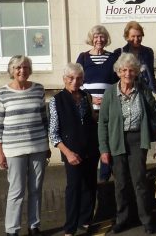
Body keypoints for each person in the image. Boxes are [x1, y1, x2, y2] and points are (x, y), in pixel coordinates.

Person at [98, 53, 156, 234]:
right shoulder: (110, 93)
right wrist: (103, 149)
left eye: (131, 70)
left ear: (136, 72)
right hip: (117, 140)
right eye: (124, 70)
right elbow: (103, 122)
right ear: (118, 72)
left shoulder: (142, 89)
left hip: (137, 139)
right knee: (121, 183)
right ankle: (122, 219)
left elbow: (154, 110)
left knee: (140, 181)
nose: (127, 74)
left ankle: (146, 219)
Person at [0, 55, 49, 236]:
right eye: (17, 67)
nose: (22, 71)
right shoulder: (2, 93)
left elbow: (44, 119)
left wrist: (47, 144)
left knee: (36, 189)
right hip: (13, 150)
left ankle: (34, 226)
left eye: (25, 67)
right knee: (16, 191)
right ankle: (12, 230)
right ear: (11, 70)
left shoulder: (39, 89)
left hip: (38, 147)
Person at [49, 63, 99, 236]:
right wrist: (67, 153)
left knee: (90, 186)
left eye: (78, 78)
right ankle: (70, 227)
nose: (75, 81)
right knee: (74, 188)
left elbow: (92, 120)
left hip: (91, 149)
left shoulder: (86, 96)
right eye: (71, 78)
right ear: (64, 79)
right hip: (72, 151)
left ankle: (85, 221)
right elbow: (54, 133)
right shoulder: (56, 100)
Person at [76, 25, 119, 181]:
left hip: (108, 108)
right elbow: (77, 82)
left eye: (102, 37)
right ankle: (90, 177)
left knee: (106, 141)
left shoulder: (113, 57)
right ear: (91, 39)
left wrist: (107, 99)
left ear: (106, 39)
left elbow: (117, 82)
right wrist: (90, 98)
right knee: (93, 141)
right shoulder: (83, 57)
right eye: (96, 37)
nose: (99, 40)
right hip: (89, 108)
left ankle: (105, 177)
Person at [115, 21, 156, 94]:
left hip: (145, 90)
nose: (136, 39)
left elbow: (151, 73)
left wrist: (154, 90)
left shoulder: (148, 51)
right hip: (127, 91)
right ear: (127, 37)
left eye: (139, 36)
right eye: (133, 36)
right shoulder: (119, 52)